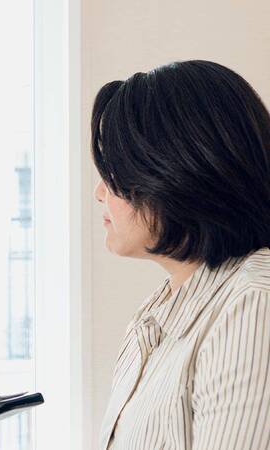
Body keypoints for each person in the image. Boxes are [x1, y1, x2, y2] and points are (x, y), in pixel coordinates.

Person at [92, 60, 270, 449]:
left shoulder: (254, 306)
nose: (99, 193)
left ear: (176, 171)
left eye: (113, 171)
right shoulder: (158, 311)